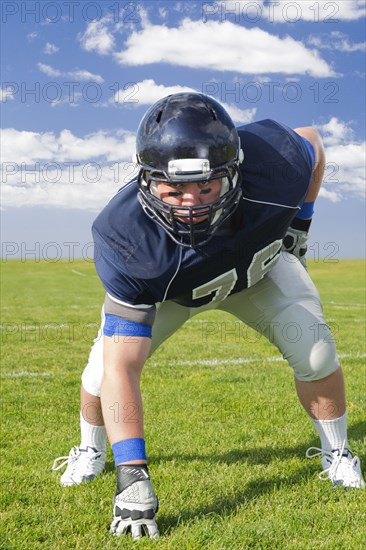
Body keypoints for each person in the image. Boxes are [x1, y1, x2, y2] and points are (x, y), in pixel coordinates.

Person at [52, 92, 365, 540]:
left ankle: (338, 453)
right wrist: (134, 472)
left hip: (257, 273)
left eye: (205, 187)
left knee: (316, 353)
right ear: (147, 179)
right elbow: (125, 366)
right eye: (173, 190)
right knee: (104, 373)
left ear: (234, 171)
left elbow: (312, 142)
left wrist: (300, 225)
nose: (191, 203)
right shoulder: (127, 237)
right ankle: (91, 450)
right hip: (173, 295)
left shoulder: (274, 164)